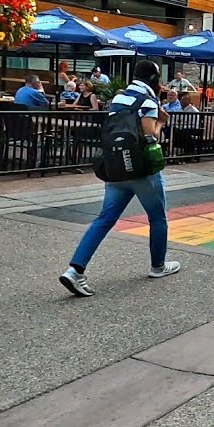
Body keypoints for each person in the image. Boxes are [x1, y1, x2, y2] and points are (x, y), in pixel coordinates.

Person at [59, 60, 179, 297]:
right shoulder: (148, 101)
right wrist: (162, 122)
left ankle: (75, 270)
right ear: (153, 80)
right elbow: (150, 138)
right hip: (142, 172)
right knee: (157, 218)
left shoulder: (119, 99)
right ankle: (158, 266)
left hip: (116, 169)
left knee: (104, 219)